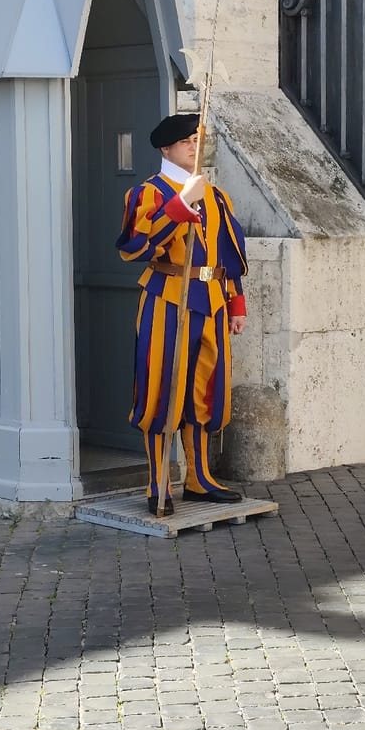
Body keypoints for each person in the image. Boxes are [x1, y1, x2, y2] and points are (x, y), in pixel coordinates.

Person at [116, 112, 248, 516]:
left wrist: (236, 303)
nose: (194, 145)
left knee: (206, 391)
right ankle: (158, 484)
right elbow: (133, 247)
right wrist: (179, 204)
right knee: (162, 390)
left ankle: (200, 479)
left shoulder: (216, 195)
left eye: (197, 138)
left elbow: (227, 253)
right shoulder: (148, 194)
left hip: (210, 300)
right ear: (166, 148)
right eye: (187, 140)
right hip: (168, 297)